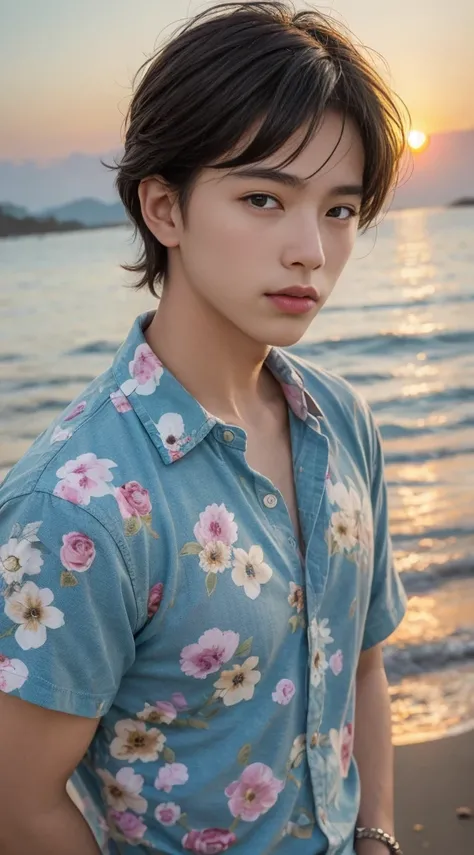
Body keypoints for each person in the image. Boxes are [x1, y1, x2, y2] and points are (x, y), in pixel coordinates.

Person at [0, 2, 409, 853]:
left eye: (339, 209)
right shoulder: (79, 506)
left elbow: (362, 659)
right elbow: (18, 800)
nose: (312, 250)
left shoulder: (343, 423)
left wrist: (376, 836)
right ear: (165, 209)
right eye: (264, 197)